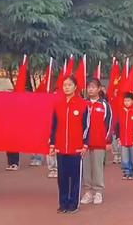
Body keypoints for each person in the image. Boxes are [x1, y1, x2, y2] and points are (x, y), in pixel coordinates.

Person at [50, 76, 89, 214]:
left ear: (75, 87)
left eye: (69, 85)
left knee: (75, 178)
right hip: (61, 148)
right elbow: (54, 126)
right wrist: (53, 144)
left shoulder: (83, 104)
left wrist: (85, 144)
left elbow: (86, 126)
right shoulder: (58, 104)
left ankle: (73, 204)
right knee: (62, 178)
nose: (66, 87)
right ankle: (63, 203)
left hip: (76, 148)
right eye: (64, 85)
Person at [81, 78, 112, 205]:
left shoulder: (104, 105)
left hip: (99, 142)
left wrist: (108, 141)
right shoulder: (83, 104)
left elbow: (109, 124)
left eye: (93, 87)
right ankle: (87, 192)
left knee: (98, 168)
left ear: (99, 89)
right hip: (84, 144)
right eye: (89, 87)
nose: (90, 89)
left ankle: (98, 192)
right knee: (86, 168)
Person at [117, 92, 133, 179]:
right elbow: (118, 125)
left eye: (128, 101)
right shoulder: (121, 111)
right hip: (123, 139)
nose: (126, 102)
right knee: (125, 156)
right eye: (125, 101)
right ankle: (126, 171)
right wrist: (118, 136)